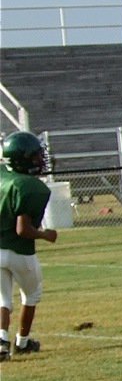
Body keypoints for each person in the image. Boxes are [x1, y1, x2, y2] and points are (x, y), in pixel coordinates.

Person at [0, 131, 56, 361]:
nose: (39, 160)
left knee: (3, 299)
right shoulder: (32, 187)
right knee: (32, 295)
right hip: (19, 252)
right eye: (35, 156)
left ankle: (2, 342)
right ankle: (23, 342)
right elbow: (23, 229)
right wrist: (46, 235)